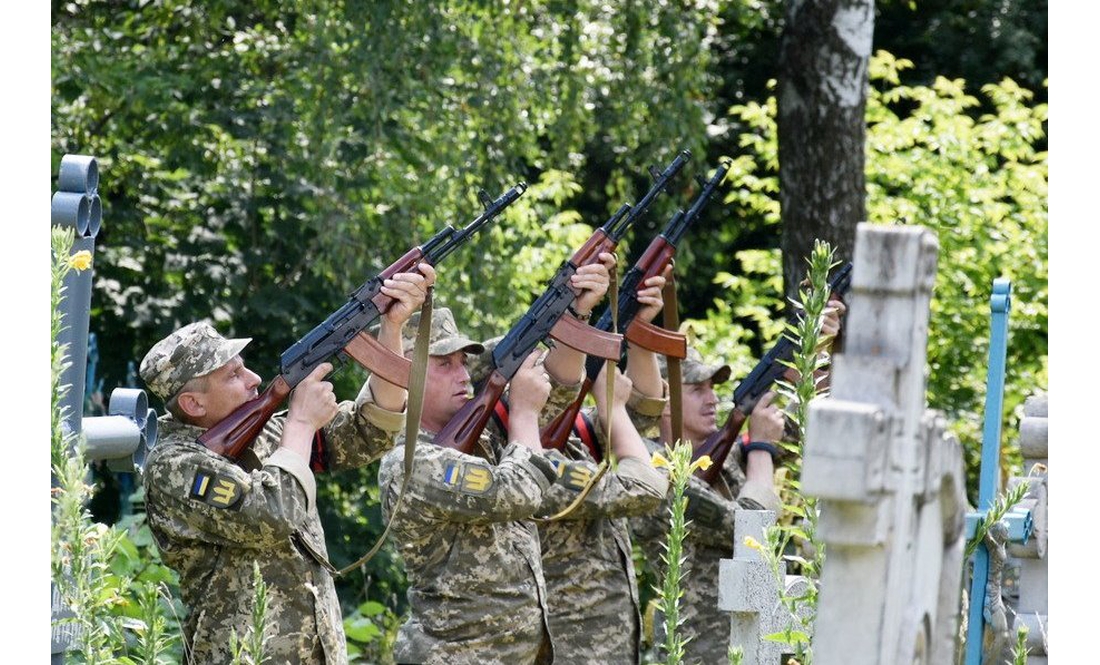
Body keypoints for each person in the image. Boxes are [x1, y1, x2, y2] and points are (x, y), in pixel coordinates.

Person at [139, 265, 434, 664]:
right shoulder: (174, 466)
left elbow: (371, 431)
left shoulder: (267, 433)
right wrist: (300, 421)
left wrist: (391, 327)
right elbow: (271, 513)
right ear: (194, 404)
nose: (254, 378)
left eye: (244, 366)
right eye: (233, 375)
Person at [378, 255, 615, 664]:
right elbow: (518, 492)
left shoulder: (481, 434)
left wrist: (578, 313)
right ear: (406, 374)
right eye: (444, 364)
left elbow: (558, 389)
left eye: (464, 362)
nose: (462, 375)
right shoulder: (409, 462)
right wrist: (523, 412)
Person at [626, 297, 845, 662]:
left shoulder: (723, 456)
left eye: (714, 388)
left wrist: (816, 349)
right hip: (700, 649)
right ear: (664, 400)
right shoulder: (655, 471)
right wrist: (760, 446)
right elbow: (745, 530)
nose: (713, 399)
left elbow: (807, 428)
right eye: (698, 390)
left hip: (759, 639)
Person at [530, 274, 669, 664]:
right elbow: (642, 484)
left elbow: (642, 414)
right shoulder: (529, 456)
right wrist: (611, 407)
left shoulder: (573, 434)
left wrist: (639, 333)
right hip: (571, 642)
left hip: (609, 642)